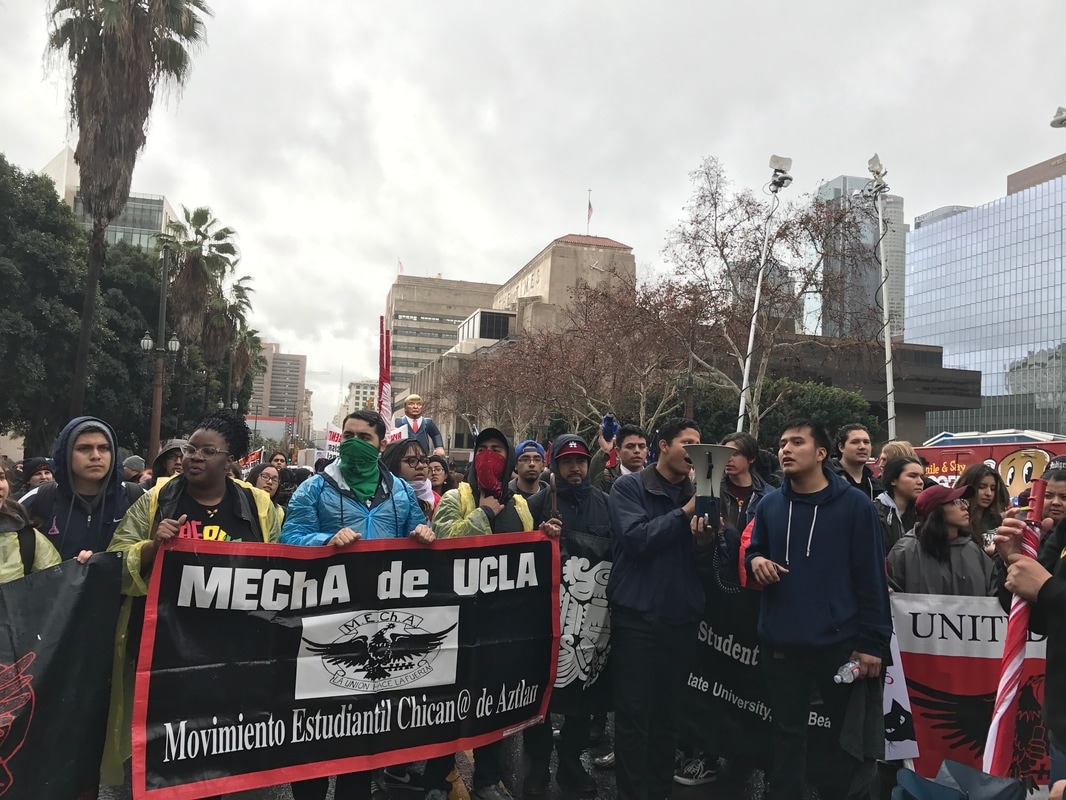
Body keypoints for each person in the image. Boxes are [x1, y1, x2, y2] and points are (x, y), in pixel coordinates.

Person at [106, 412, 284, 793]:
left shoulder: (261, 507)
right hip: (165, 658)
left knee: (227, 759)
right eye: (190, 448)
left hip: (234, 659)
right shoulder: (155, 498)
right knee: (164, 763)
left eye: (208, 451)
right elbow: (115, 564)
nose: (194, 457)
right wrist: (153, 546)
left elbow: (283, 570)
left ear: (232, 458)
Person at [280, 409, 433, 800]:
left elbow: (420, 534)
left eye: (364, 437)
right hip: (322, 624)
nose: (353, 442)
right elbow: (289, 538)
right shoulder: (313, 488)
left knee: (361, 734)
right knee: (314, 728)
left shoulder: (400, 490)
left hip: (376, 627)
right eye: (347, 435)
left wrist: (422, 534)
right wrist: (324, 542)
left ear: (381, 443)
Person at [746, 419, 891, 800]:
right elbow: (753, 549)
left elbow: (872, 577)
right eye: (781, 443)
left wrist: (873, 642)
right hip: (781, 644)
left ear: (822, 453)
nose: (785, 449)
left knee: (847, 739)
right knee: (786, 734)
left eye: (797, 442)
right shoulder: (770, 504)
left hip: (839, 647)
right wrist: (755, 560)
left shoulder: (855, 506)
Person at [427, 427, 545, 800]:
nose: (490, 455)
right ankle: (437, 778)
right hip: (457, 623)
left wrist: (546, 538)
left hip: (502, 622)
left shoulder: (521, 505)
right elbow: (443, 538)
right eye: (484, 449)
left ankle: (487, 777)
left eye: (498, 449)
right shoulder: (454, 496)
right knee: (448, 702)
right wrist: (482, 513)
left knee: (493, 701)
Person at [606, 417, 714, 800]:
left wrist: (705, 545)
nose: (695, 450)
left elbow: (710, 566)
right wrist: (686, 512)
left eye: (700, 443)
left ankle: (658, 790)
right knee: (634, 716)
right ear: (663, 446)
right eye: (688, 442)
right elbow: (637, 541)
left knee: (669, 716)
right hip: (637, 617)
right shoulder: (629, 487)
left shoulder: (703, 491)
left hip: (681, 618)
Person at [524, 435, 608, 797]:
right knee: (540, 692)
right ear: (554, 464)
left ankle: (571, 762)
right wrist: (539, 537)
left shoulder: (606, 504)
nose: (575, 467)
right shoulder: (537, 502)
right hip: (547, 617)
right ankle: (539, 763)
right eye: (567, 461)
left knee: (585, 696)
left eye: (581, 460)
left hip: (590, 623)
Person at [996, 505, 1066, 784]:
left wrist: (1047, 588)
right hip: (1061, 725)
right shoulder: (1064, 531)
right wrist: (1013, 563)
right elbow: (1040, 618)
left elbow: (1048, 590)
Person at [21, 416, 144, 560]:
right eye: (84, 448)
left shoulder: (137, 498)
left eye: (104, 448)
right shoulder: (38, 500)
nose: (96, 456)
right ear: (66, 454)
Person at [887, 483, 996, 596]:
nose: (965, 507)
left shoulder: (974, 550)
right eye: (955, 502)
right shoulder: (904, 551)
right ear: (936, 511)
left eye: (963, 501)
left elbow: (994, 590)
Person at [0, 468, 62, 581]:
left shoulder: (27, 538)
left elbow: (54, 587)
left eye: (1, 477)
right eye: (38, 473)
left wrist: (78, 569)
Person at [874, 456, 925, 552]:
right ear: (893, 480)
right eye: (912, 476)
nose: (920, 482)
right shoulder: (874, 513)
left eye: (921, 477)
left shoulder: (923, 513)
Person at [955, 462, 1009, 551]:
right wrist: (985, 553)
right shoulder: (959, 522)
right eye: (981, 487)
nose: (988, 493)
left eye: (993, 488)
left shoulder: (997, 519)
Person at [381, 438, 438, 519]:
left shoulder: (439, 501)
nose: (421, 466)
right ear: (393, 464)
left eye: (423, 460)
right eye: (412, 461)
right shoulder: (380, 501)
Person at [591, 424, 648, 494]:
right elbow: (591, 489)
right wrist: (604, 450)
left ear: (646, 450)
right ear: (618, 451)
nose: (637, 450)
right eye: (630, 446)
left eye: (641, 446)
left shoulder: (655, 478)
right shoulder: (607, 478)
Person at [832, 423, 882, 501]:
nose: (862, 447)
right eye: (855, 442)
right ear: (841, 447)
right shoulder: (827, 480)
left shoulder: (877, 486)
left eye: (866, 442)